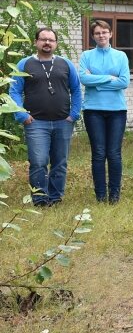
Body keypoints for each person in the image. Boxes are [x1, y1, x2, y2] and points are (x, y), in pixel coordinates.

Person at [11, 28, 82, 207]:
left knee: (59, 162)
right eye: (43, 39)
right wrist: (21, 115)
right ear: (36, 42)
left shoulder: (66, 64)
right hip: (35, 123)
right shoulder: (24, 64)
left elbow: (76, 90)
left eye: (51, 40)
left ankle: (55, 198)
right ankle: (40, 199)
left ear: (56, 43)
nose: (47, 43)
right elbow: (14, 91)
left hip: (63, 122)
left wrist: (74, 114)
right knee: (39, 162)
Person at [79, 19, 130, 204]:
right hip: (93, 111)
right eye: (97, 33)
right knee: (99, 153)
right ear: (93, 36)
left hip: (117, 110)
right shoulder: (86, 56)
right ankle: (100, 196)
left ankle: (114, 196)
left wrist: (97, 82)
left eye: (104, 32)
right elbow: (84, 79)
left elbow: (124, 82)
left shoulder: (121, 56)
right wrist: (109, 78)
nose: (101, 35)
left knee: (114, 153)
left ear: (110, 34)